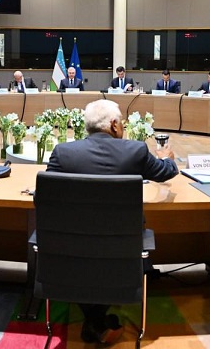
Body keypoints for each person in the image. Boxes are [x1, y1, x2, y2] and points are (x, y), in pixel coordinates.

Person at [46, 99, 178, 344]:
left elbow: (47, 198)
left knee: (87, 249)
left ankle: (94, 320)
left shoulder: (63, 153)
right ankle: (97, 321)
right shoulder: (136, 150)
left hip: (72, 246)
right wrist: (166, 157)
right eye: (122, 123)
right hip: (123, 245)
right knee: (110, 249)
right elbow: (165, 172)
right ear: (115, 125)